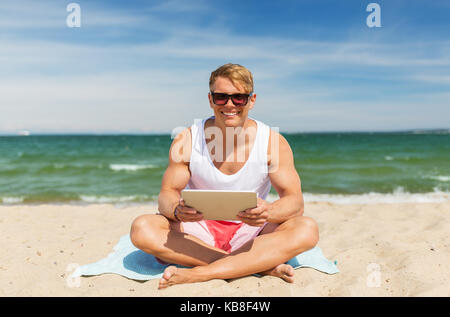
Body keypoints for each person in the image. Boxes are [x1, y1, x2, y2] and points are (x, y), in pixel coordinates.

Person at [130, 63, 319, 289]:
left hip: (252, 230)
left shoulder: (272, 141)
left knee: (307, 229)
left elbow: (295, 202)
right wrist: (176, 210)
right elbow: (166, 195)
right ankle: (256, 265)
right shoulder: (188, 139)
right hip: (198, 231)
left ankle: (203, 273)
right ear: (211, 100)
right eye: (221, 97)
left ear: (252, 100)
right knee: (142, 228)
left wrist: (268, 211)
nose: (230, 105)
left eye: (238, 98)